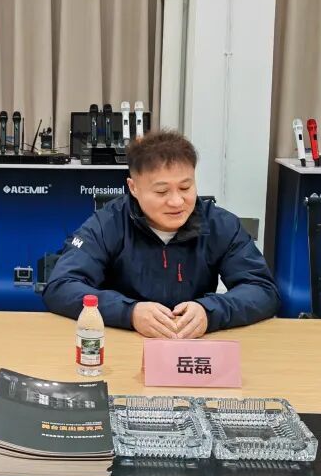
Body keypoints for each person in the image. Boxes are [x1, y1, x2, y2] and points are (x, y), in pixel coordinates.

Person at [42, 130, 279, 337]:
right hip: (123, 342)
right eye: (162, 191)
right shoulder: (107, 224)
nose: (177, 202)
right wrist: (129, 312)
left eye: (185, 187)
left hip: (193, 345)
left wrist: (210, 312)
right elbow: (61, 286)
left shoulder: (220, 225)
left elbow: (262, 290)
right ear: (133, 187)